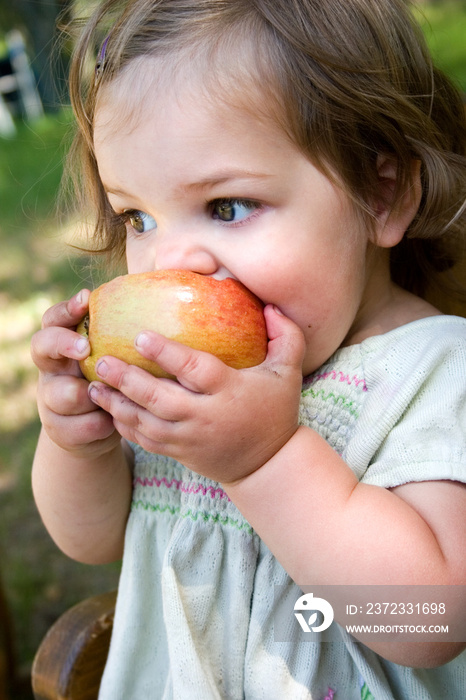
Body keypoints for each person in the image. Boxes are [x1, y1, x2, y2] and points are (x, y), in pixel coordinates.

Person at [31, 0, 466, 698]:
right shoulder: (185, 382)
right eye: (136, 217)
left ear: (381, 194)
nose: (169, 263)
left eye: (227, 207)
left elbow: (429, 617)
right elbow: (94, 540)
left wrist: (265, 461)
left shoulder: (435, 374)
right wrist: (78, 443)